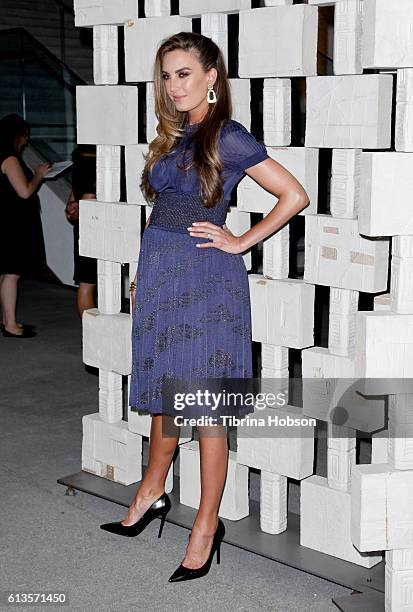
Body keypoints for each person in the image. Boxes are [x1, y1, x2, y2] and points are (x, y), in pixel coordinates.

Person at [100, 32, 309, 582]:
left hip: (206, 280)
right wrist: (143, 275)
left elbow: (294, 195)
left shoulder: (228, 136)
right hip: (162, 276)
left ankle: (206, 526)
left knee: (207, 407)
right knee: (166, 394)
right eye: (166, 76)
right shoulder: (172, 137)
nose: (174, 85)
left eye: (184, 73)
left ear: (212, 76)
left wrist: (240, 241)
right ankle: (152, 491)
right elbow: (162, 211)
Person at [0, 113, 50, 338]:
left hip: (7, 222)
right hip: (12, 224)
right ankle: (10, 324)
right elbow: (25, 191)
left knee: (6, 274)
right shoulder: (9, 159)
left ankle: (7, 320)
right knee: (11, 274)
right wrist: (39, 175)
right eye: (24, 135)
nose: (26, 140)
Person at [65, 145, 97, 318]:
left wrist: (74, 209)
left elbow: (70, 209)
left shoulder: (79, 158)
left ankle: (90, 335)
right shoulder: (97, 160)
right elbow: (87, 200)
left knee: (87, 284)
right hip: (95, 229)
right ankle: (92, 336)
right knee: (88, 284)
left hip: (83, 231)